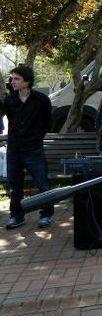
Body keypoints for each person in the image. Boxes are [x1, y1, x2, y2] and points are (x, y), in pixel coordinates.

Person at [1, 65, 54, 229]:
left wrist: (37, 137)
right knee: (15, 185)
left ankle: (46, 214)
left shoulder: (41, 99)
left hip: (33, 149)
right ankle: (16, 216)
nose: (13, 81)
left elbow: (48, 122)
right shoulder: (10, 100)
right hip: (14, 149)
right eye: (12, 78)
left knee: (42, 183)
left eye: (17, 78)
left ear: (27, 81)